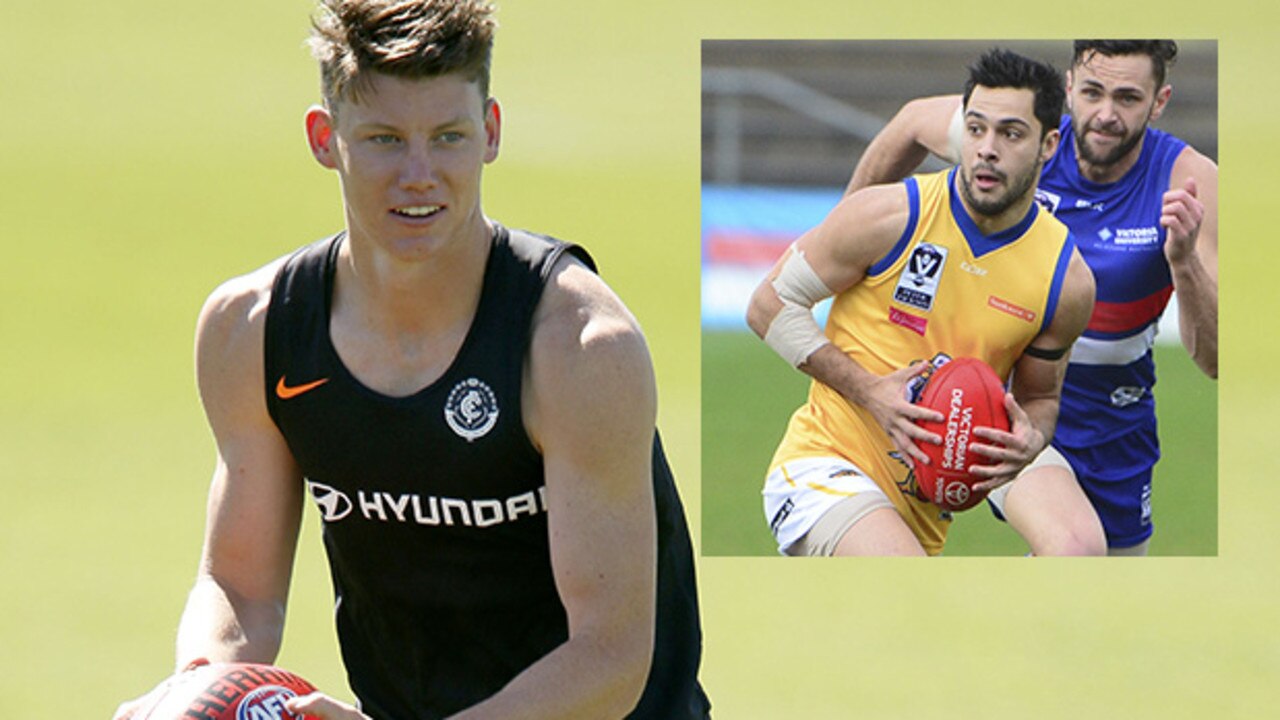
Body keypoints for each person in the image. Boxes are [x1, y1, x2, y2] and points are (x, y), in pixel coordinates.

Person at [113, 1, 709, 718]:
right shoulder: (254, 330)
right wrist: (203, 688)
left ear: (490, 133)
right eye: (386, 139)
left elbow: (609, 660)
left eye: (448, 137)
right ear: (325, 138)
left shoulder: (578, 348)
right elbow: (240, 588)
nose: (419, 174)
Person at [847, 40, 1218, 555]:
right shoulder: (1020, 146)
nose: (1105, 115)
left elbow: (1217, 359)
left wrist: (1184, 262)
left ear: (1159, 101)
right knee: (1070, 546)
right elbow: (911, 122)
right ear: (1068, 88)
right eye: (1092, 92)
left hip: (1112, 424)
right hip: (1002, 405)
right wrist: (846, 231)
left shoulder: (1187, 182)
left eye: (1128, 98)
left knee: (1106, 596)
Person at [747, 48, 1097, 556]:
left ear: (1049, 145)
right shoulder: (887, 216)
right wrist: (870, 392)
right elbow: (767, 305)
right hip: (826, 467)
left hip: (946, 470)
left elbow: (1041, 399)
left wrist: (1032, 438)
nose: (987, 149)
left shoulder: (1065, 280)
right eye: (975, 129)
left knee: (1079, 547)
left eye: (1011, 134)